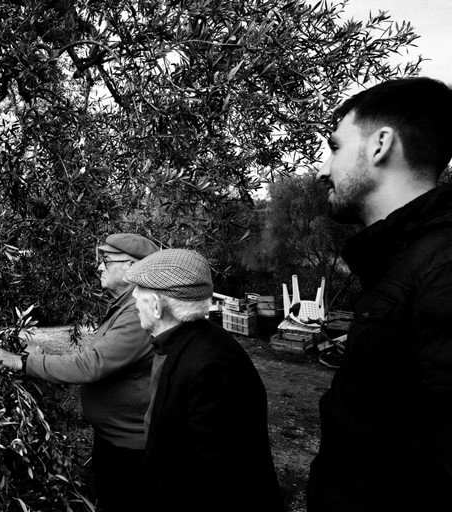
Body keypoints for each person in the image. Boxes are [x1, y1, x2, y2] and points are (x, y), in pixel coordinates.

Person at [307, 77, 452, 511]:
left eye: (334, 147)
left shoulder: (441, 267)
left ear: (380, 145)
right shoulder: (404, 258)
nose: (321, 170)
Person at [0, 233, 158, 512]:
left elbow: (90, 365)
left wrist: (22, 362)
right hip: (114, 439)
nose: (99, 267)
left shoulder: (137, 314)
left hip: (130, 448)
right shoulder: (125, 307)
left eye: (106, 260)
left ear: (132, 267)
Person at [124, 248, 284, 512]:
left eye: (138, 291)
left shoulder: (209, 368)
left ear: (156, 305)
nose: (132, 297)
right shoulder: (189, 343)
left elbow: (222, 482)